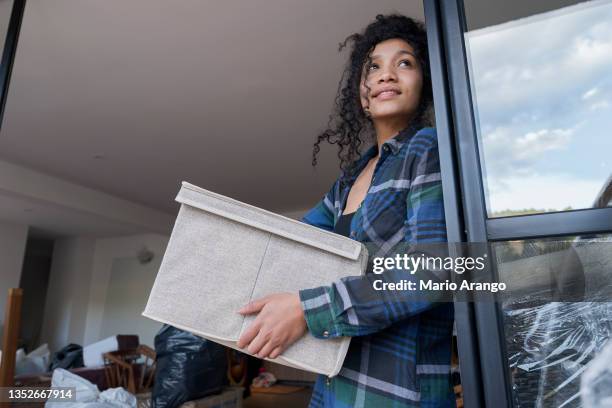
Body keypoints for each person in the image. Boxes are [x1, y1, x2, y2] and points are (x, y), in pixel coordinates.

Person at [237, 14, 454, 407]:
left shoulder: (427, 149)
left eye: (404, 63)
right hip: (333, 386)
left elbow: (432, 273)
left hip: (394, 395)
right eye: (374, 67)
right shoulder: (348, 180)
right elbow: (292, 246)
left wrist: (308, 310)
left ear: (424, 85)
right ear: (362, 93)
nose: (387, 75)